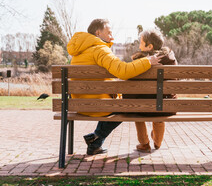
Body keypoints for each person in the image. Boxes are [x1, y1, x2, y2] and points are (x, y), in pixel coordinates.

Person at [67, 19, 161, 155]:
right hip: (97, 105)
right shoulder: (100, 49)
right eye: (109, 32)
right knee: (128, 106)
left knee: (117, 104)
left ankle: (96, 141)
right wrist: (147, 61)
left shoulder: (78, 51)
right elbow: (123, 71)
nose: (112, 37)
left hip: (79, 104)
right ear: (98, 32)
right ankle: (96, 137)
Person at [123, 29, 178, 152]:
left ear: (150, 46)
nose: (139, 46)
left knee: (137, 112)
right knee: (159, 108)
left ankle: (144, 143)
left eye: (141, 43)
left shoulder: (140, 62)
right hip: (165, 107)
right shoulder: (170, 59)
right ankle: (157, 142)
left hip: (141, 108)